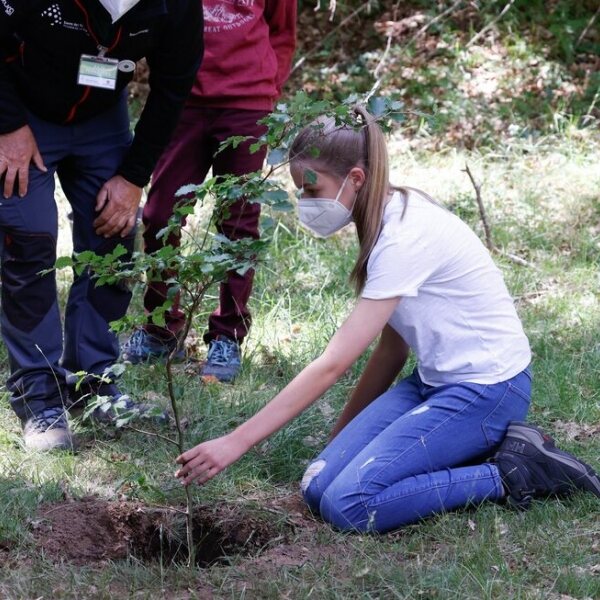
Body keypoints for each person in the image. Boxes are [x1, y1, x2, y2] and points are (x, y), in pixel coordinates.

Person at [174, 107, 600, 532]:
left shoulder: (402, 237)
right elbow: (392, 350)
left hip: (488, 391)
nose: (306, 202)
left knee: (350, 506)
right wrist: (337, 446)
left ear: (356, 178)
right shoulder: (381, 218)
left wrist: (236, 442)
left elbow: (333, 363)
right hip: (433, 384)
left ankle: (516, 471)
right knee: (318, 485)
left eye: (312, 188)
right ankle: (461, 448)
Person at [0, 0, 203, 451]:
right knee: (28, 241)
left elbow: (174, 86)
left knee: (113, 237)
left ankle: (94, 383)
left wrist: (133, 176)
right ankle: (39, 395)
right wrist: (7, 124)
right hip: (23, 109)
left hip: (101, 115)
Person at [121, 0, 297, 383]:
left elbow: (283, 31)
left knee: (238, 222)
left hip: (246, 105)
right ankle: (161, 330)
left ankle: (227, 336)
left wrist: (269, 86)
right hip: (182, 101)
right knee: (159, 216)